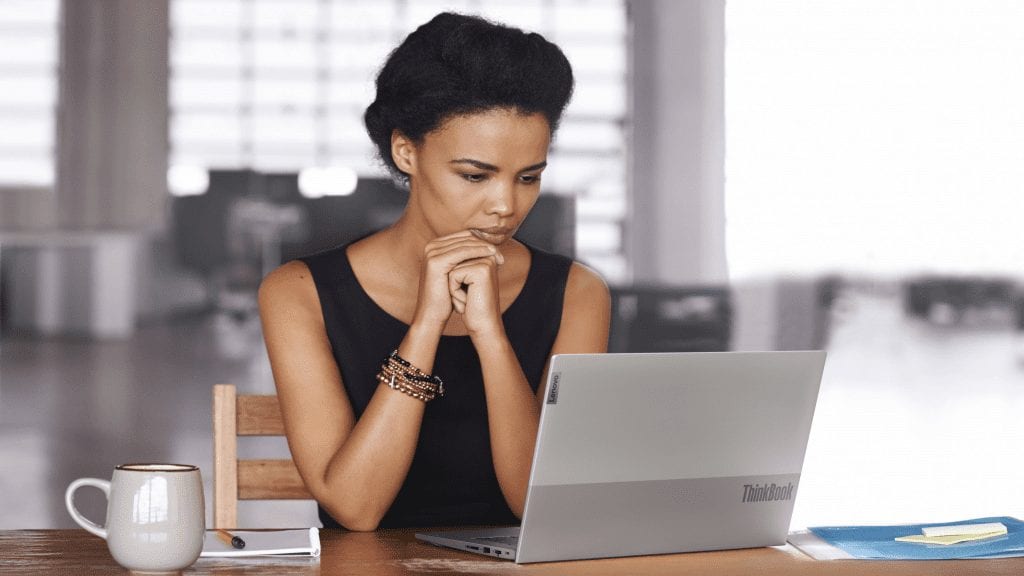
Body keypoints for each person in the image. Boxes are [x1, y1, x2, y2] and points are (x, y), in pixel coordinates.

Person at [258, 12, 610, 531]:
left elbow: (540, 509)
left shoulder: (578, 293)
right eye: (475, 175)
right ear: (407, 151)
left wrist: (489, 334)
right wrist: (425, 325)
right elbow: (356, 508)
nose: (505, 206)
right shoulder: (300, 293)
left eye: (528, 177)